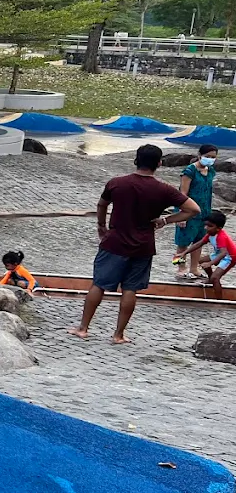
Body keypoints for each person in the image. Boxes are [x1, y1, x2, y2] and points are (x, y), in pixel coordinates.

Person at [69, 144, 199, 345]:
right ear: (159, 164)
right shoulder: (164, 189)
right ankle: (119, 334)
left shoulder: (117, 183)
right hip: (143, 245)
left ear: (136, 160)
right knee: (130, 289)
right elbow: (193, 209)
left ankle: (83, 328)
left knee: (99, 284)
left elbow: (102, 204)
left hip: (114, 242)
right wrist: (166, 220)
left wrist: (101, 226)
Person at [173, 145, 218, 279]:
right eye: (208, 156)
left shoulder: (210, 171)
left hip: (204, 212)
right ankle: (180, 268)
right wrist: (181, 215)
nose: (210, 159)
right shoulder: (189, 171)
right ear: (199, 155)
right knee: (183, 243)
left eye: (213, 157)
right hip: (188, 212)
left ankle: (194, 268)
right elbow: (183, 193)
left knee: (199, 241)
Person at [175, 210, 236, 289]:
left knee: (215, 278)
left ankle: (218, 299)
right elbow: (198, 244)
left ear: (218, 228)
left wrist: (210, 263)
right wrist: (184, 253)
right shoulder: (210, 234)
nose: (206, 228)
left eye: (210, 226)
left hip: (230, 257)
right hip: (219, 253)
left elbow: (223, 253)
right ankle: (210, 279)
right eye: (205, 225)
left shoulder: (221, 237)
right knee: (201, 260)